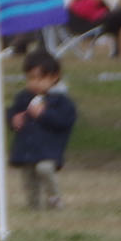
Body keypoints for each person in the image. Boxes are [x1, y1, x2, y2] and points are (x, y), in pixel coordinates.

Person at [8, 50, 76, 211]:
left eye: (40, 78)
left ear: (54, 77)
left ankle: (54, 199)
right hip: (27, 148)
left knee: (44, 169)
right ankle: (33, 206)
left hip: (49, 148)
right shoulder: (23, 98)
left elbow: (64, 121)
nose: (35, 83)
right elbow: (12, 113)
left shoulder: (62, 101)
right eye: (31, 78)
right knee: (28, 178)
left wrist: (44, 114)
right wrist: (13, 120)